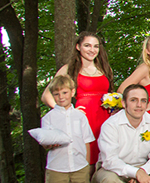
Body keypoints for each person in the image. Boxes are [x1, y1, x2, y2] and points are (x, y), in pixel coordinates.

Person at [40, 75, 98, 183]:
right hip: (58, 165)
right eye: (57, 94)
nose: (61, 97)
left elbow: (87, 140)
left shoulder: (80, 116)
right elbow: (45, 143)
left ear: (72, 92)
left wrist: (87, 164)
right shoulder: (49, 118)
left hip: (79, 164)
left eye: (64, 92)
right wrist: (50, 143)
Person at [42, 31, 114, 166]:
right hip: (84, 118)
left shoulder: (104, 68)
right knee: (87, 158)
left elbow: (110, 93)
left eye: (96, 46)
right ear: (78, 47)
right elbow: (46, 95)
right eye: (87, 45)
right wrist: (67, 113)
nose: (92, 50)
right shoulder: (69, 69)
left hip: (105, 117)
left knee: (106, 157)